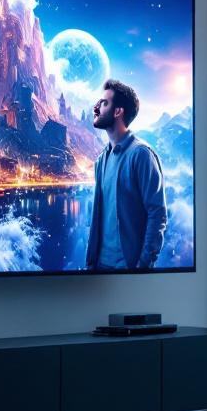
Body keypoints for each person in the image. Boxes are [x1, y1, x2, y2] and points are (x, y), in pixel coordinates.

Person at [86, 79, 167, 270]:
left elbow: (157, 213)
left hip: (130, 272)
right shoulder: (100, 161)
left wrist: (143, 266)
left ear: (118, 111)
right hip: (99, 271)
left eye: (104, 103)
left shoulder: (141, 155)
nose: (96, 108)